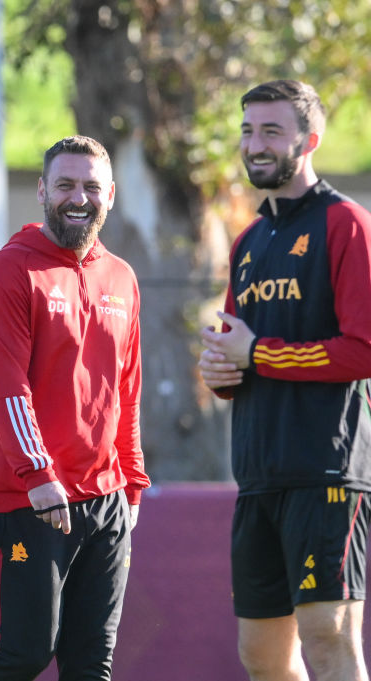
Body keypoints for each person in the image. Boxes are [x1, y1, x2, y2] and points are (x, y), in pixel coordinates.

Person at [199, 79, 371, 681]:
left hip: (325, 473)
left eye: (272, 130)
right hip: (257, 477)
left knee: (329, 640)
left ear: (310, 139)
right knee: (263, 658)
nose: (255, 144)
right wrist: (219, 372)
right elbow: (234, 353)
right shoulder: (247, 242)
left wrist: (257, 354)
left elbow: (363, 350)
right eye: (248, 131)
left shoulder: (347, 224)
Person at [0, 135, 150, 680]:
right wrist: (39, 475)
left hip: (107, 500)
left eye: (92, 186)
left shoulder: (122, 278)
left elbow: (127, 390)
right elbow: (6, 387)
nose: (78, 197)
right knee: (25, 653)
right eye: (65, 184)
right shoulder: (9, 271)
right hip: (29, 498)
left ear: (110, 195)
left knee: (92, 664)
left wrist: (132, 484)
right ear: (42, 189)